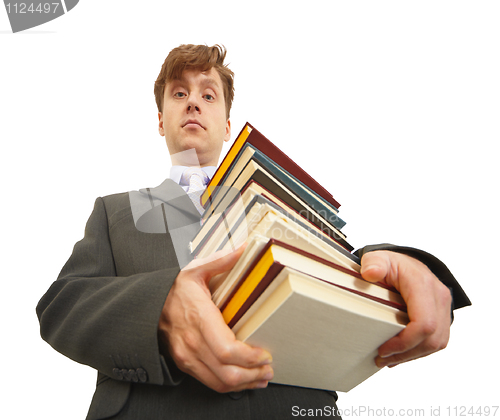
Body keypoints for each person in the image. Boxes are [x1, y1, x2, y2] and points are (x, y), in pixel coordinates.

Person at [36, 44, 471, 420]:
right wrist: (158, 309)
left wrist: (401, 265)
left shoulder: (279, 197)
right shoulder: (115, 211)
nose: (193, 103)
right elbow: (62, 305)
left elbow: (338, 267)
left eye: (208, 95)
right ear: (160, 119)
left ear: (227, 125)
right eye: (179, 94)